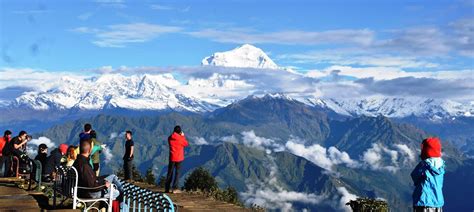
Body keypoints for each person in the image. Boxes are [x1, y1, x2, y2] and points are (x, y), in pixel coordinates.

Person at [411, 137, 445, 212]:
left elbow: (414, 175)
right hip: (438, 202)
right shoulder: (442, 165)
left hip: (424, 201)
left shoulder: (424, 165)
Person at [165, 126, 188, 193]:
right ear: (180, 132)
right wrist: (182, 136)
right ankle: (175, 188)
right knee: (177, 173)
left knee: (170, 173)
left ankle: (167, 188)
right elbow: (186, 144)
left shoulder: (169, 138)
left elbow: (172, 137)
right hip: (179, 158)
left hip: (172, 157)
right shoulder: (180, 139)